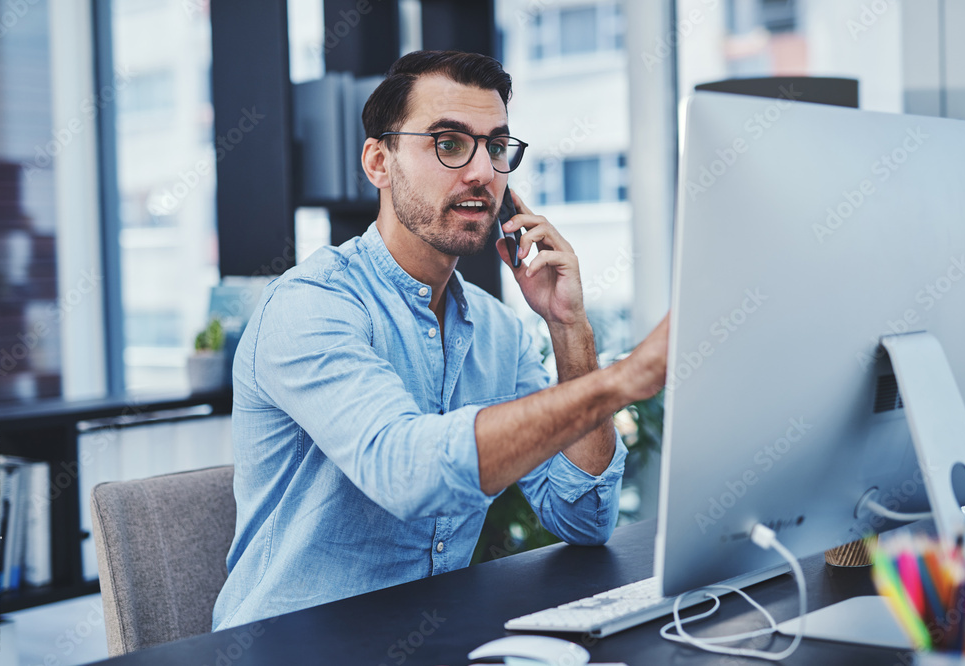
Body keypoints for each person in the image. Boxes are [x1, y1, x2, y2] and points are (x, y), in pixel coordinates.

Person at [212, 50, 669, 631]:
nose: (482, 173)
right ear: (379, 162)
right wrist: (621, 383)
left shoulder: (497, 330)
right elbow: (407, 472)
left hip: (431, 638)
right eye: (449, 144)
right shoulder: (310, 305)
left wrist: (569, 329)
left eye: (496, 147)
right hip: (287, 647)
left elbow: (581, 517)